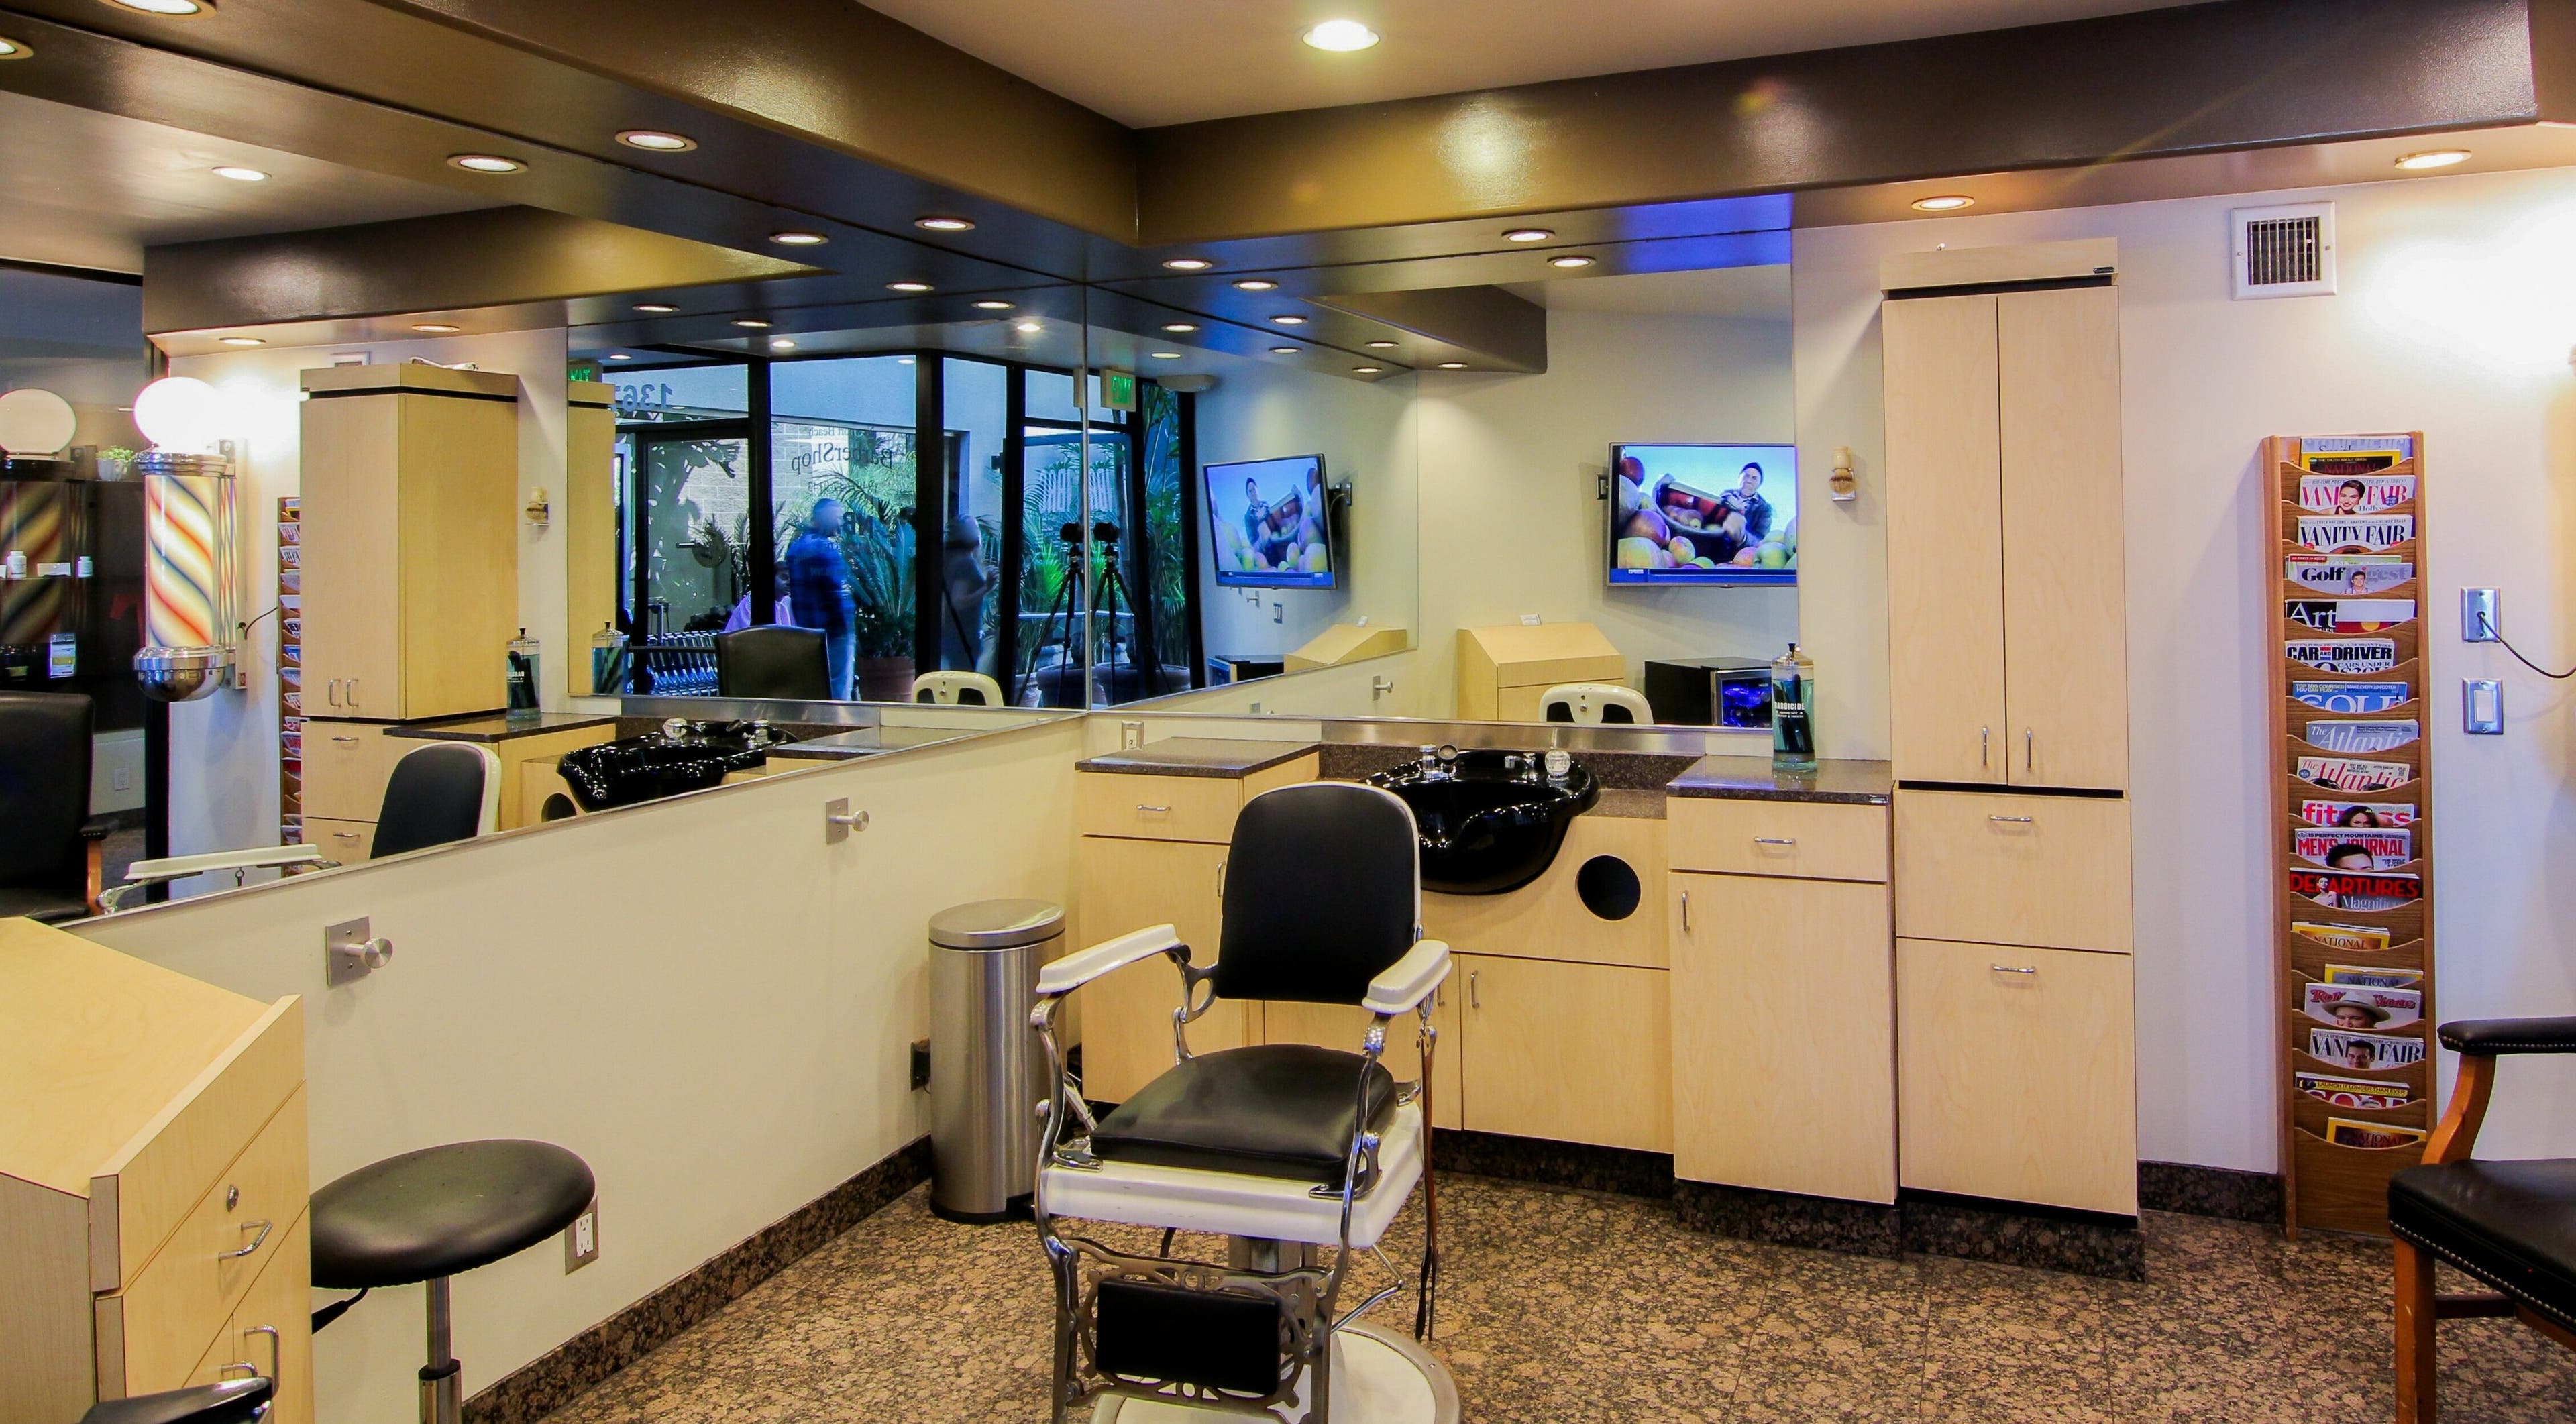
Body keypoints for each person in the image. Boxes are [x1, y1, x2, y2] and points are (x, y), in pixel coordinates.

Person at [787, 498, 859, 699]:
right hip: (835, 632)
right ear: (825, 518)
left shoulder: (796, 547)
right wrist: (847, 627)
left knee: (815, 692)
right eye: (837, 517)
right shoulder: (826, 549)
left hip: (808, 632)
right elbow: (838, 593)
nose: (840, 523)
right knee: (838, 693)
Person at [722, 569, 795, 633]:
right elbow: (748, 637)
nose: (789, 582)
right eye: (784, 577)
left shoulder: (788, 602)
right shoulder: (753, 602)